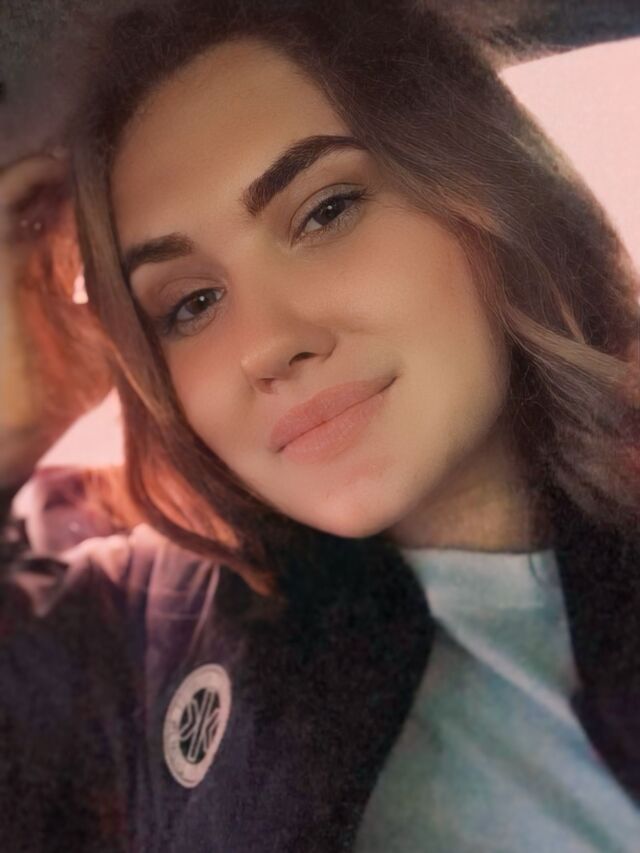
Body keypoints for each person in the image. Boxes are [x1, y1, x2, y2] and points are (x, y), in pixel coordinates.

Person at [1, 1, 640, 850]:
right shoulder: (140, 625)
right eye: (191, 303)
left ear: (485, 186)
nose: (266, 346)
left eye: (326, 211)